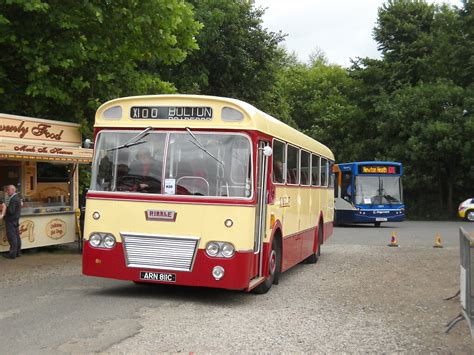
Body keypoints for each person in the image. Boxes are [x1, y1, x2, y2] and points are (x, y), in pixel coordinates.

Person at [1, 185, 22, 259]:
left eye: (8, 190)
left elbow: (11, 211)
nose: (7, 192)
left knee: (12, 237)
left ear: (13, 190)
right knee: (16, 237)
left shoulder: (13, 199)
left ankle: (12, 254)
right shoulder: (16, 198)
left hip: (11, 220)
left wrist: (5, 208)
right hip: (15, 220)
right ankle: (18, 253)